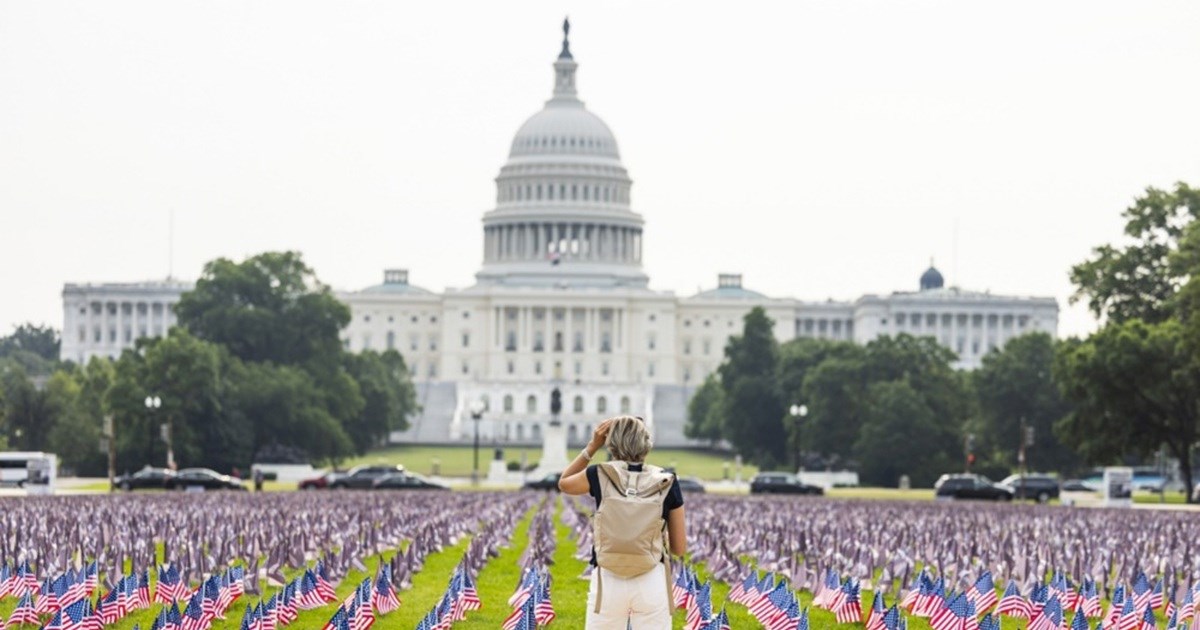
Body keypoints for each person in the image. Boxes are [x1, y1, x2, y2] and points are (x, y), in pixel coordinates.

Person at [559, 415, 686, 630]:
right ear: (646, 443)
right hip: (651, 576)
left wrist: (592, 446)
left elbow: (564, 483)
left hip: (608, 576)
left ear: (611, 444)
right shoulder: (667, 481)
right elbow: (679, 548)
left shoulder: (599, 474)